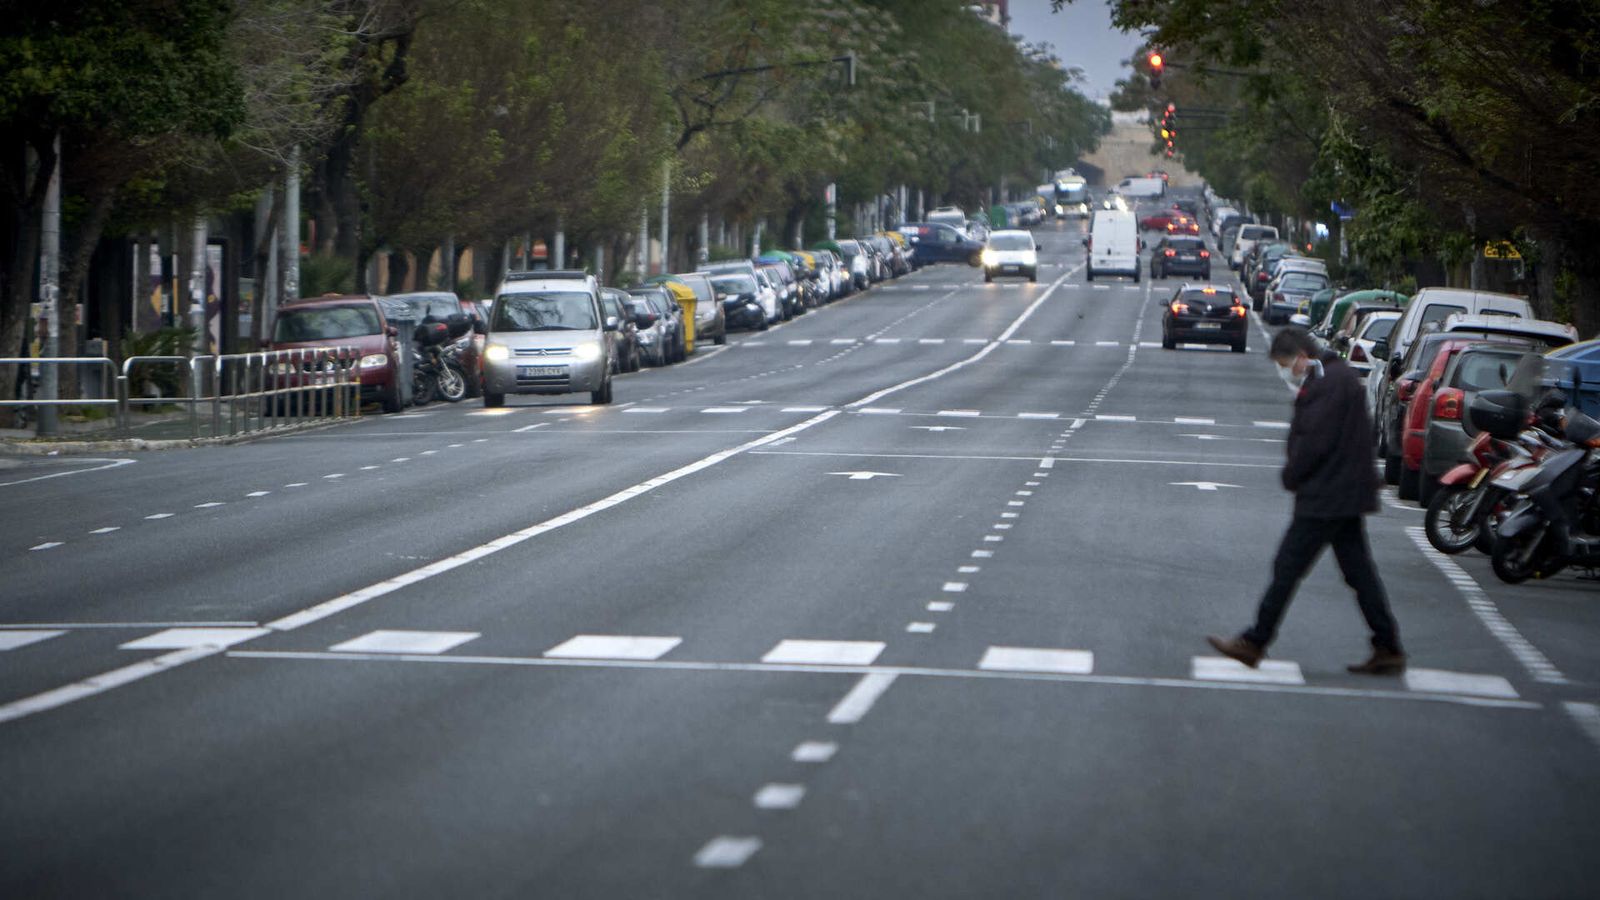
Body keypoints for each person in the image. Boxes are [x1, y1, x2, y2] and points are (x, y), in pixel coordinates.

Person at [1208, 326, 1406, 675]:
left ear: (1301, 357)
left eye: (1286, 364)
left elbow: (1316, 440)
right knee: (1359, 573)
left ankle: (1254, 641)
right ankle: (1388, 645)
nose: (1286, 372)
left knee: (1288, 567)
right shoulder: (1336, 377)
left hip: (1326, 494)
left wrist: (1293, 474)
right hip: (1343, 493)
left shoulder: (1328, 382)